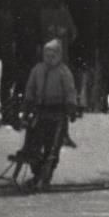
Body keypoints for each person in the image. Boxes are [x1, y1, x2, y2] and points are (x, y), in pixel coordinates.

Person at [20, 38, 80, 189]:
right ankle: (37, 173)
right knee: (34, 144)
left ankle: (46, 176)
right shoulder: (38, 69)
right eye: (47, 55)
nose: (49, 59)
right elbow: (30, 88)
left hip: (58, 113)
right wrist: (27, 104)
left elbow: (70, 90)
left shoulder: (63, 71)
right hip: (41, 111)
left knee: (52, 148)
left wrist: (71, 106)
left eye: (53, 56)